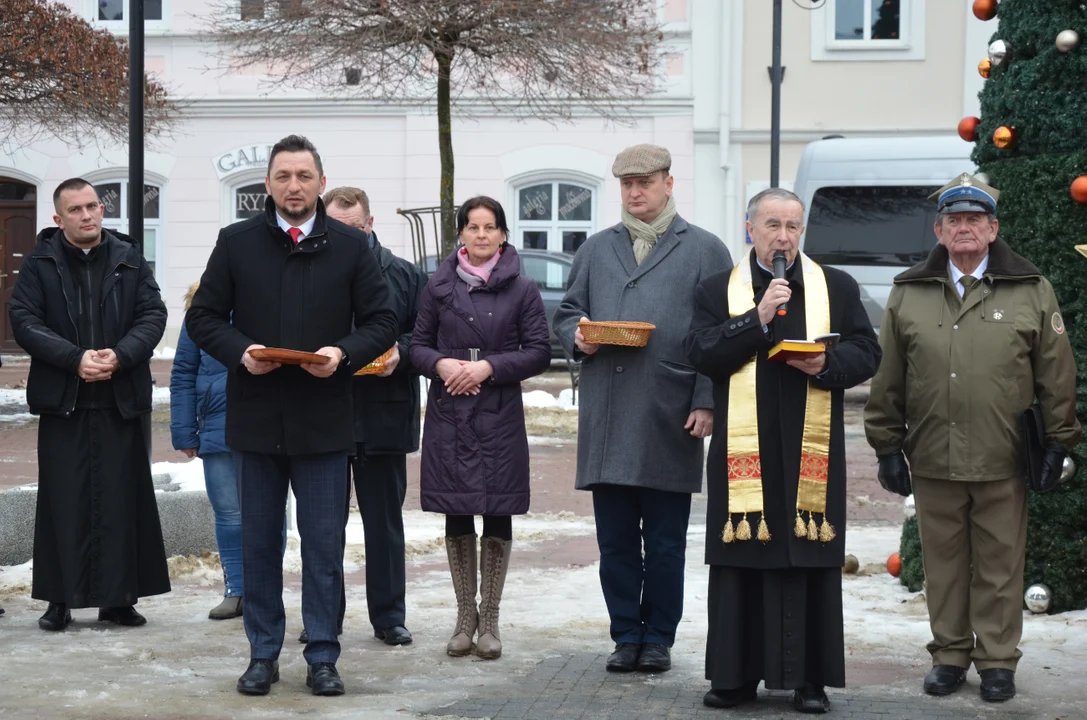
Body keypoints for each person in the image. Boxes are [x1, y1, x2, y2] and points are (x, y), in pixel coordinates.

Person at [186, 135, 398, 697]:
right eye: (283, 176)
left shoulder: (352, 247)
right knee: (258, 545)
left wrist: (343, 354)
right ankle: (262, 654)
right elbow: (203, 318)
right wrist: (241, 353)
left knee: (323, 546)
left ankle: (323, 656)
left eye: (304, 175)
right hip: (255, 420)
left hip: (325, 422)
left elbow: (382, 320)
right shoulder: (236, 243)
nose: (294, 186)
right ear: (267, 186)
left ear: (321, 183)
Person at [864, 173, 1080, 703]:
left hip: (1003, 456)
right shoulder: (908, 293)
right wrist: (887, 446)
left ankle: (999, 661)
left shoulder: (1031, 289)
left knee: (1002, 567)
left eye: (974, 221)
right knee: (942, 567)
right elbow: (889, 376)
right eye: (955, 221)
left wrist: (1058, 442)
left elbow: (1057, 372)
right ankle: (950, 656)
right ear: (939, 231)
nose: (965, 229)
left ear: (993, 230)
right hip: (933, 456)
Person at [686, 187, 881, 713]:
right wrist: (757, 318)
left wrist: (829, 366)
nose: (783, 236)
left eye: (793, 226)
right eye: (772, 224)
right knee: (741, 555)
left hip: (808, 448)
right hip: (741, 450)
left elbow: (867, 350)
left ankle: (808, 679)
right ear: (749, 229)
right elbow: (701, 351)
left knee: (805, 556)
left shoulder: (833, 286)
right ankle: (734, 677)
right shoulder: (716, 289)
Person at [553, 144, 733, 674]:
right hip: (607, 414)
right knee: (614, 541)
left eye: (646, 183)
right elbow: (568, 314)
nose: (635, 193)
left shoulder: (705, 250)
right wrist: (578, 338)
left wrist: (706, 400)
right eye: (627, 185)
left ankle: (659, 636)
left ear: (668, 183)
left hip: (669, 412)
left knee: (664, 540)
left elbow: (718, 334)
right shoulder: (594, 249)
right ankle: (624, 634)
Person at [8, 177, 170, 632]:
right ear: (58, 219)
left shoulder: (129, 257)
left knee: (123, 502)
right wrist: (74, 359)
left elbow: (152, 315)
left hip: (120, 399)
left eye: (93, 206)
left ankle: (118, 599)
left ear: (102, 209)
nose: (87, 215)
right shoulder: (40, 263)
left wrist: (120, 356)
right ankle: (59, 598)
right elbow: (24, 321)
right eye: (76, 210)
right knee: (63, 502)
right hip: (65, 400)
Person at [410, 196, 551, 660]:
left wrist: (489, 367)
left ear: (504, 234)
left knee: (496, 509)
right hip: (451, 412)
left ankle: (489, 618)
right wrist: (444, 364)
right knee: (457, 509)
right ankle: (462, 618)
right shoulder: (438, 286)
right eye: (473, 227)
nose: (482, 235)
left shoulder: (523, 289)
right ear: (461, 235)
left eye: (490, 227)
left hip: (498, 413)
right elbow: (416, 346)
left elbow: (538, 352)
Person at [297, 186, 427, 647]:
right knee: (322, 526)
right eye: (336, 227)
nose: (345, 235)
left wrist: (402, 354)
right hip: (324, 412)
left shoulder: (407, 275)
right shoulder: (310, 267)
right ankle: (323, 618)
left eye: (354, 227)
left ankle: (389, 616)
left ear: (370, 225)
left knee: (384, 524)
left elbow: (427, 337)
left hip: (385, 414)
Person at [170, 281, 244, 620]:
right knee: (228, 514)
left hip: (269, 425)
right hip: (217, 429)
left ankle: (263, 591)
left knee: (269, 516)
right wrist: (184, 430)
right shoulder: (199, 313)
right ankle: (236, 589)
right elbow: (184, 372)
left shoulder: (269, 300)